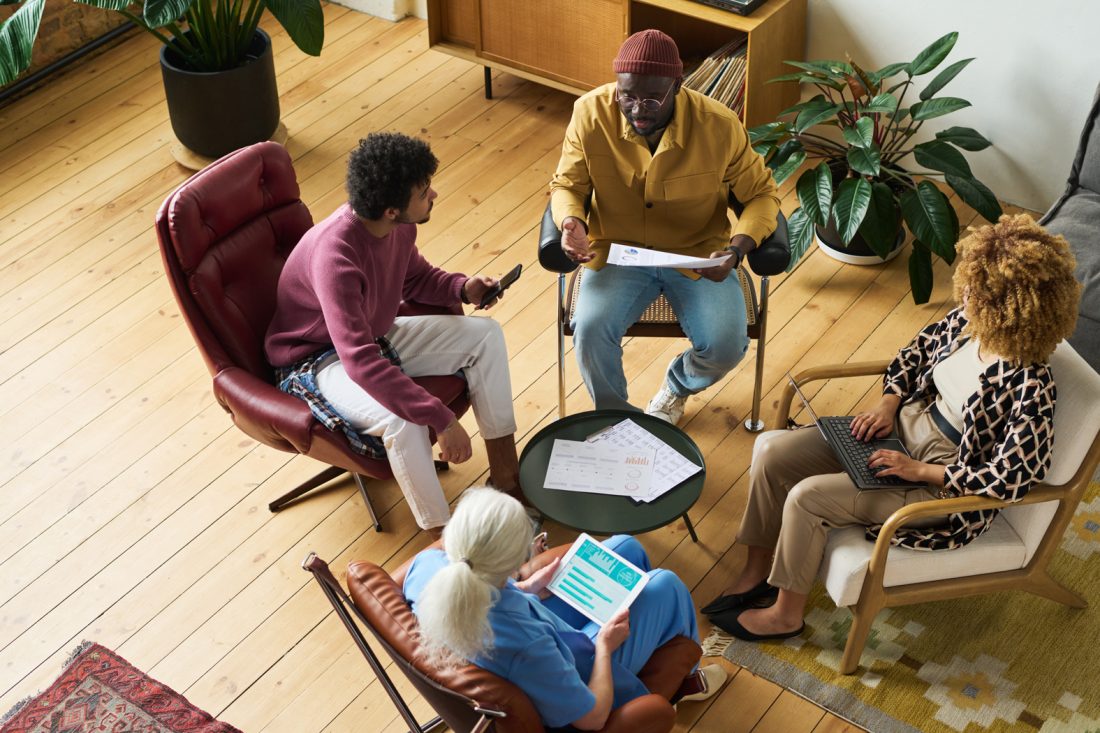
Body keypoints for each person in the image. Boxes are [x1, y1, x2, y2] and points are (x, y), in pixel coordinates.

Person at [704, 214, 1082, 641]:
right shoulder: (966, 324)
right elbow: (912, 356)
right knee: (775, 455)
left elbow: (1014, 478)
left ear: (1011, 306)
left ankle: (785, 616)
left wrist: (921, 472)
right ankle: (757, 573)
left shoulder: (1031, 384)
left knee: (808, 498)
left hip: (941, 479)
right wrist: (887, 404)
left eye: (981, 292)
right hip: (898, 427)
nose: (967, 294)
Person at [265, 132, 522, 536]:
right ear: (390, 210)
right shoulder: (336, 257)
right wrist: (441, 419)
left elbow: (415, 278)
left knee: (484, 335)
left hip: (370, 333)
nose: (433, 194)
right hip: (316, 358)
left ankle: (508, 482)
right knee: (401, 420)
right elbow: (361, 361)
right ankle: (445, 539)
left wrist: (461, 287)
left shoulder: (399, 228)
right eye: (423, 192)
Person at [549, 29, 780, 425]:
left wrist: (738, 249)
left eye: (652, 98)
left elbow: (762, 195)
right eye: (627, 96)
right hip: (616, 255)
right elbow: (568, 184)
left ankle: (676, 388)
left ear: (677, 85)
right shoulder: (589, 113)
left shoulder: (720, 125)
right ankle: (618, 419)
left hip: (697, 256)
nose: (638, 109)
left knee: (726, 345)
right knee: (589, 333)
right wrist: (571, 221)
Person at [403, 487, 728, 730]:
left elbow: (492, 604)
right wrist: (603, 648)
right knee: (665, 586)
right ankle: (685, 678)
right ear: (516, 562)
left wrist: (524, 589)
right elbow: (593, 717)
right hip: (579, 668)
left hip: (528, 623)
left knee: (626, 547)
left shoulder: (426, 566)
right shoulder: (528, 648)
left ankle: (673, 662)